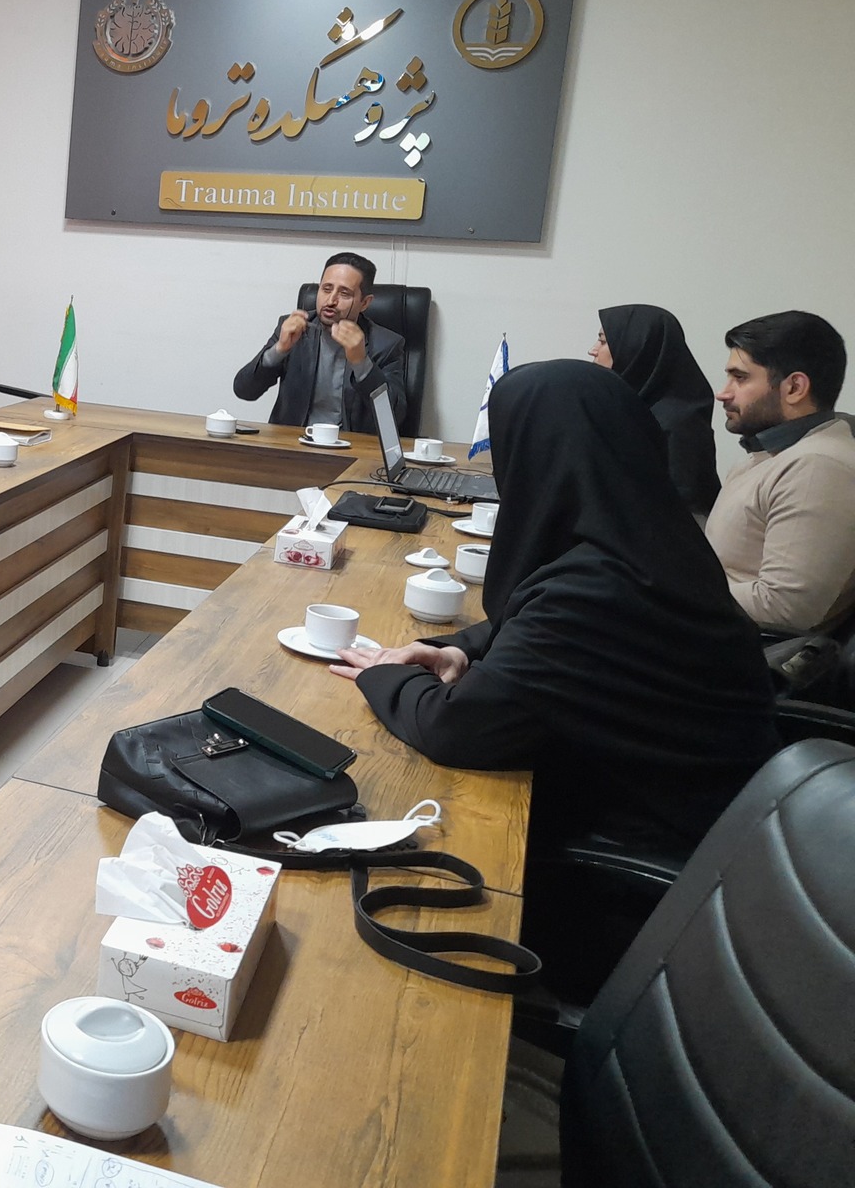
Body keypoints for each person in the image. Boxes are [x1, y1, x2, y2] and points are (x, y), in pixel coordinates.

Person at [331, 360, 778, 994]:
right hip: (704, 835)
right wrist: (456, 650)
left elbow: (458, 728)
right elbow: (529, 619)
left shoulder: (595, 591)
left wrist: (382, 674)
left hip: (634, 892)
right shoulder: (648, 540)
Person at [706, 310, 855, 634]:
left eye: (740, 378)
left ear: (794, 387)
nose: (724, 392)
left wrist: (669, 592)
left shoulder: (817, 467)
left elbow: (785, 607)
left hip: (745, 656)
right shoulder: (773, 455)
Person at [231, 251, 407, 435]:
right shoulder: (295, 329)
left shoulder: (386, 345)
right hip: (293, 443)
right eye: (326, 289)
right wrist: (279, 350)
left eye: (344, 293)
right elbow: (244, 390)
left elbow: (394, 416)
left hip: (350, 446)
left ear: (364, 303)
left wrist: (361, 363)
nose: (331, 301)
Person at [590, 303, 721, 515]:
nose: (593, 350)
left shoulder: (677, 424)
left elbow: (687, 509)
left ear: (638, 347)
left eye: (603, 341)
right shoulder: (626, 408)